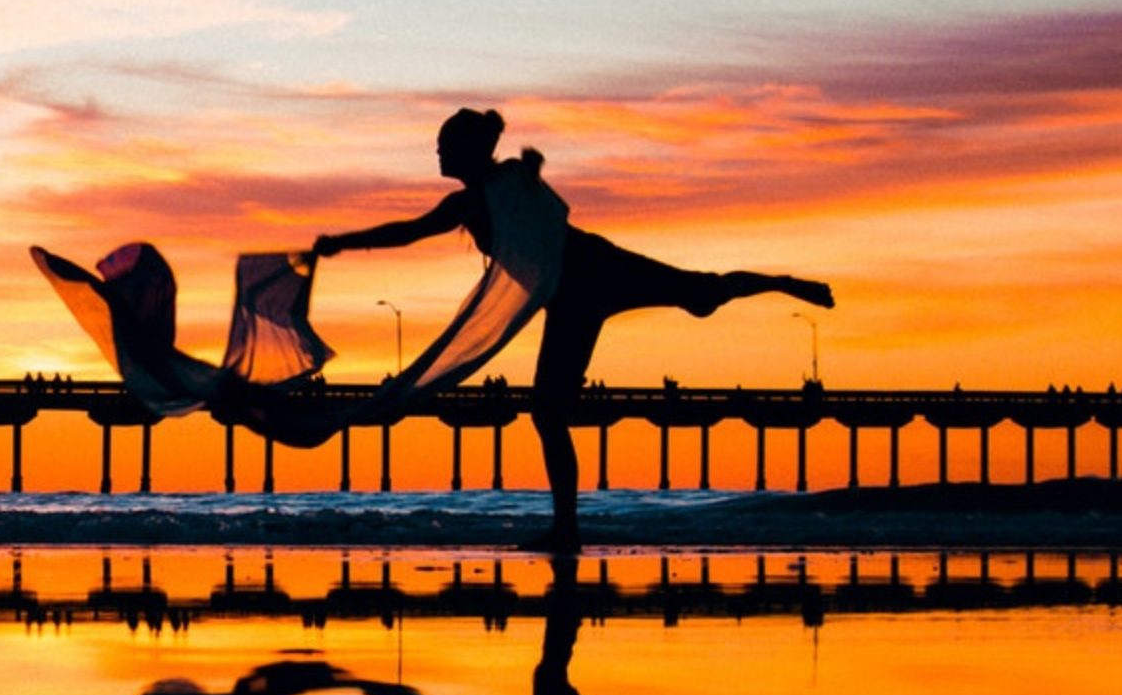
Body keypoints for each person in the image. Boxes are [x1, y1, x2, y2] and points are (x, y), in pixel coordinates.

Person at [314, 109, 834, 552]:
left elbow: (531, 190)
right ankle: (566, 529)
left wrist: (532, 171)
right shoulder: (465, 204)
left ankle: (782, 282)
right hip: (569, 303)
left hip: (596, 268)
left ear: (467, 149)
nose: (437, 155)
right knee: (547, 411)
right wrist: (344, 242)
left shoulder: (502, 182)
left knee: (703, 294)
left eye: (443, 146)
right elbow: (407, 232)